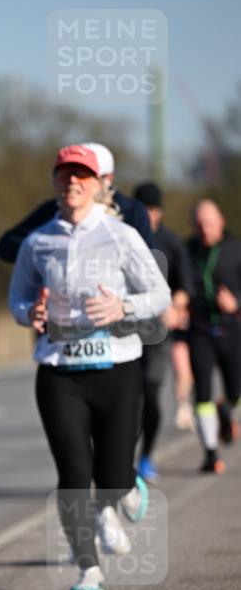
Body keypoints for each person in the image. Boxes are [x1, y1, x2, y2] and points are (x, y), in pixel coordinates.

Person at [9, 145, 170, 590]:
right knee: (73, 475)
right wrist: (30, 312)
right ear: (56, 183)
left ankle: (126, 485)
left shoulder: (121, 236)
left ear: (99, 184)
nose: (72, 183)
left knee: (113, 474)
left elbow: (158, 295)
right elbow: (18, 299)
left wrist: (123, 307)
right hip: (60, 372)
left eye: (82, 175)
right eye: (65, 175)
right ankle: (88, 570)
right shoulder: (38, 241)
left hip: (117, 368)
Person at [0, 141, 152, 265]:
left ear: (107, 179)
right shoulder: (53, 211)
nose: (74, 181)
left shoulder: (131, 214)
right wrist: (49, 252)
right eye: (68, 174)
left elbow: (149, 275)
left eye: (85, 175)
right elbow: (7, 247)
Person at [133, 182, 194, 481]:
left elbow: (185, 286)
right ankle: (120, 460)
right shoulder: (123, 239)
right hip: (126, 329)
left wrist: (175, 305)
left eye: (153, 209)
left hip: (158, 332)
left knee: (150, 391)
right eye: (143, 209)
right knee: (128, 398)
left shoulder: (171, 243)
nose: (148, 214)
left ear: (161, 212)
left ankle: (146, 456)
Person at [185, 199, 241, 474]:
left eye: (209, 223)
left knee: (236, 391)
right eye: (199, 224)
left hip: (231, 329)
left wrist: (236, 303)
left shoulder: (235, 250)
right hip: (200, 330)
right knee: (202, 391)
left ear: (221, 222)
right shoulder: (186, 251)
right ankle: (210, 452)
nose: (204, 229)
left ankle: (227, 410)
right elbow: (175, 284)